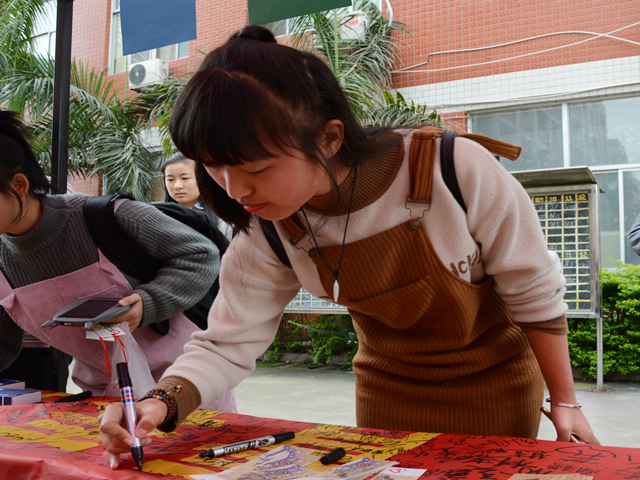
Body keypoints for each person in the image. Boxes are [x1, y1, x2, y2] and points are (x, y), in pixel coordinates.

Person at [99, 25, 599, 465]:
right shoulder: (268, 225)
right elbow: (229, 341)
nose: (235, 191)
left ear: (331, 137)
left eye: (256, 169)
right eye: (214, 168)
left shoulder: (454, 168)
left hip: (496, 383)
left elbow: (532, 291)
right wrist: (160, 402)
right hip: (387, 389)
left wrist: (566, 402)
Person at [0, 110, 236, 412]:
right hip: (102, 394)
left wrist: (149, 301)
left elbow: (200, 254)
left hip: (184, 383)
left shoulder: (106, 217)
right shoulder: (3, 262)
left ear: (19, 185)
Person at [160, 153, 233, 239]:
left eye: (185, 178)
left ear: (202, 178)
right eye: (170, 179)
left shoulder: (222, 218)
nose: (177, 186)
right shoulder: (159, 217)